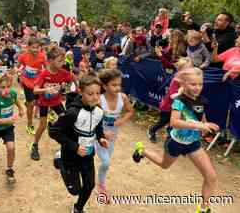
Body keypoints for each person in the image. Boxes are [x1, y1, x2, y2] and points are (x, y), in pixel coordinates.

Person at [133, 67, 219, 213]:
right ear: (184, 84)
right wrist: (199, 125)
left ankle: (203, 209)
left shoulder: (202, 100)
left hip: (192, 144)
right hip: (176, 143)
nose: (197, 87)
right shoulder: (179, 101)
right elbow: (174, 123)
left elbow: (201, 117)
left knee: (211, 176)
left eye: (200, 84)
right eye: (193, 84)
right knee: (164, 165)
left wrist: (206, 127)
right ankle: (142, 151)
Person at [49, 74, 109, 213]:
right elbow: (54, 131)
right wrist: (74, 147)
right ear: (81, 92)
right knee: (75, 190)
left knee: (89, 185)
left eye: (97, 93)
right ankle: (60, 160)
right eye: (90, 94)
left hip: (87, 155)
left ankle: (78, 209)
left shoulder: (99, 111)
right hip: (70, 156)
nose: (95, 97)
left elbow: (97, 127)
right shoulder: (73, 112)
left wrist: (101, 138)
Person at [30, 47, 74, 161]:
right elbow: (35, 90)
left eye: (63, 60)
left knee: (66, 122)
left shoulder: (64, 72)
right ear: (50, 61)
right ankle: (34, 146)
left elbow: (72, 78)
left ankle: (66, 146)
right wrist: (46, 90)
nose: (63, 63)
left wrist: (74, 88)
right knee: (42, 125)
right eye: (60, 61)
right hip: (44, 102)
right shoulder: (44, 74)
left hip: (56, 102)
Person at [96, 70, 134, 199]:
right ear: (105, 86)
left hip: (112, 135)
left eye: (119, 84)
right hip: (98, 134)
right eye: (114, 85)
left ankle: (101, 184)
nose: (118, 88)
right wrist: (101, 131)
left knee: (106, 160)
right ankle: (101, 185)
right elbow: (91, 117)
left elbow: (130, 111)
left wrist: (121, 120)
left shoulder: (122, 97)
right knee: (106, 162)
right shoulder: (99, 99)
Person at [0, 73, 24, 184]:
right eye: (3, 87)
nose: (6, 90)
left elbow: (16, 100)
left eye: (8, 86)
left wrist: (21, 108)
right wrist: (6, 120)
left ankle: (9, 169)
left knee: (11, 147)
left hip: (8, 128)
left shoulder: (12, 93)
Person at [147, 57, 193, 143]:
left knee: (173, 123)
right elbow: (172, 96)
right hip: (167, 106)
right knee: (163, 122)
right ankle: (152, 130)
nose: (189, 71)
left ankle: (170, 136)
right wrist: (181, 92)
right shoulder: (176, 80)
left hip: (176, 107)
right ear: (180, 70)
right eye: (186, 69)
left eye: (190, 68)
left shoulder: (186, 80)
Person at [17, 37, 47, 135]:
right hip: (27, 83)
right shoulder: (23, 56)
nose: (36, 49)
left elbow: (46, 68)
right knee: (30, 105)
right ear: (29, 47)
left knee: (38, 102)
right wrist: (20, 74)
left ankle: (33, 107)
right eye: (33, 47)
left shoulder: (42, 56)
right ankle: (29, 125)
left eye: (37, 47)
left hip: (38, 83)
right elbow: (18, 66)